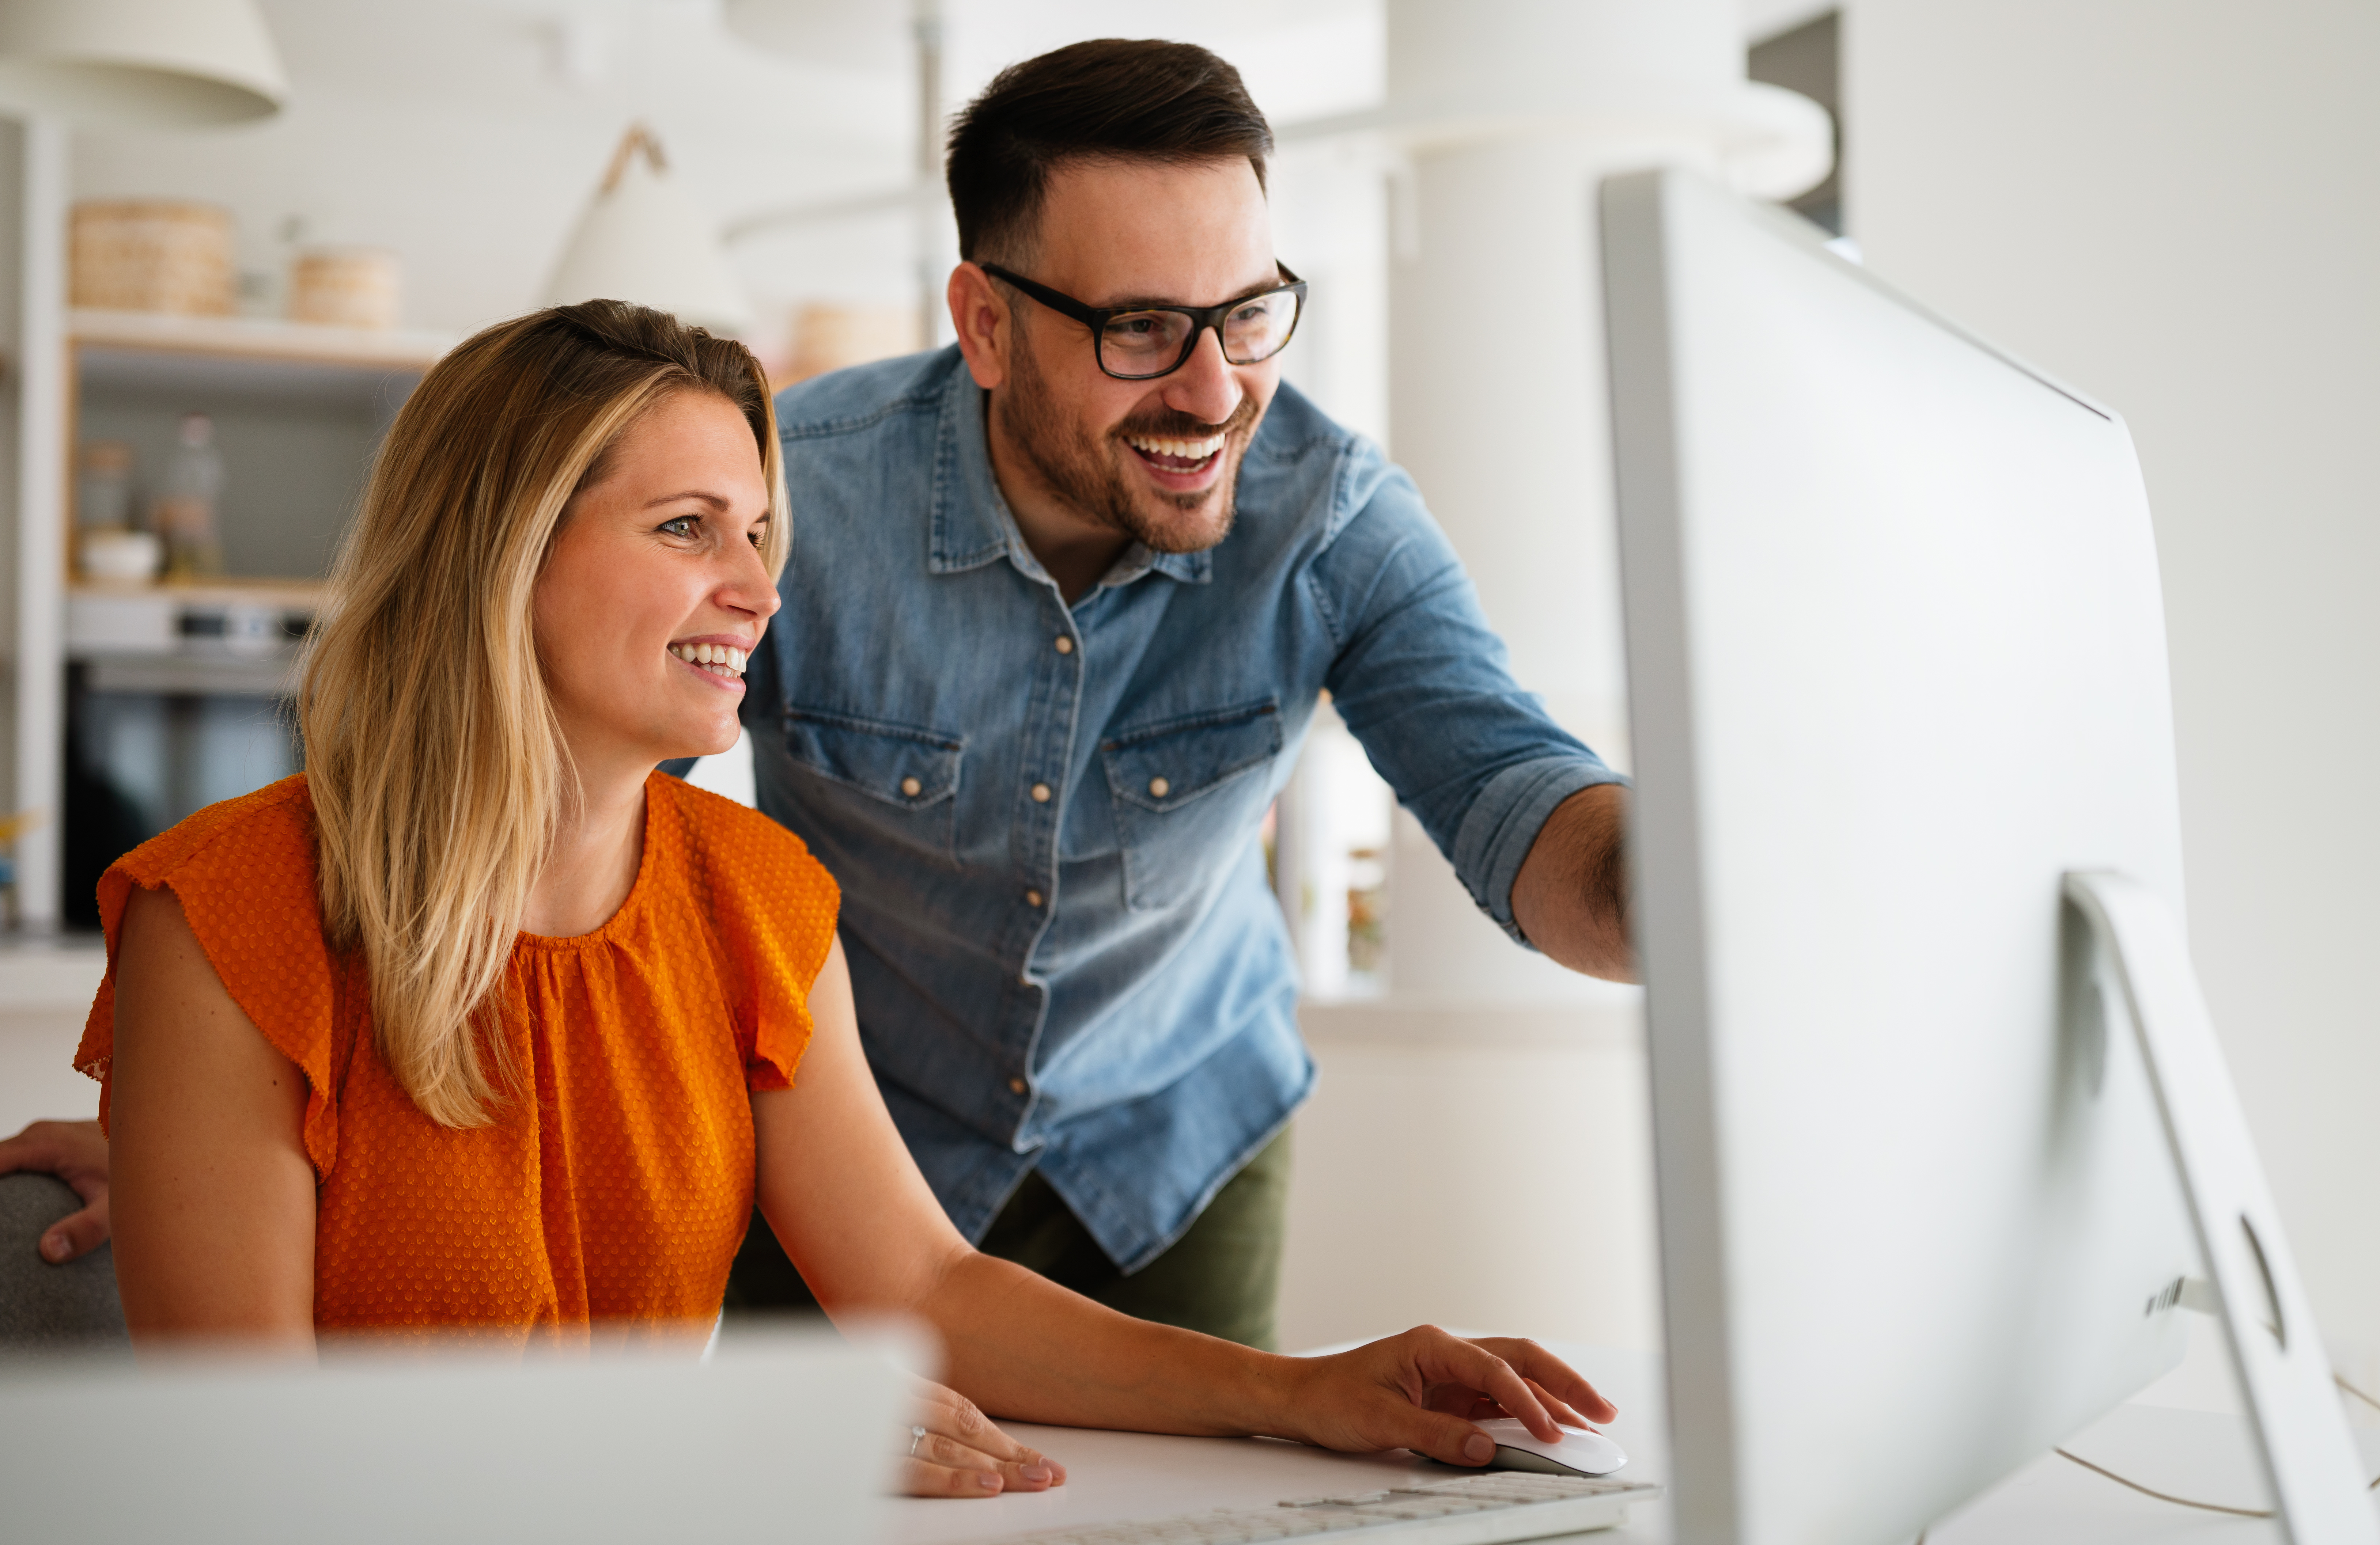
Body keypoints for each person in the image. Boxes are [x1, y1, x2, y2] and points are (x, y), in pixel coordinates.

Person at [6, 36, 1635, 1355]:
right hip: (839, 1135)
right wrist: (246, 1133)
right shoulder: (809, 490)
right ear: (985, 324)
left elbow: (1514, 801)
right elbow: (548, 772)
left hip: (1172, 1132)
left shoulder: (1332, 516)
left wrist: (1693, 890)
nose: (1216, 389)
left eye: (1248, 312)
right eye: (1143, 329)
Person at [61, 299, 1615, 1495]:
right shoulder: (232, 921)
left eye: (757, 532)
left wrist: (1313, 1390)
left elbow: (921, 1286)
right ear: (498, 554)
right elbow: (244, 1470)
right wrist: (741, 1440)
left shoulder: (755, 899)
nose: (754, 588)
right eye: (685, 530)